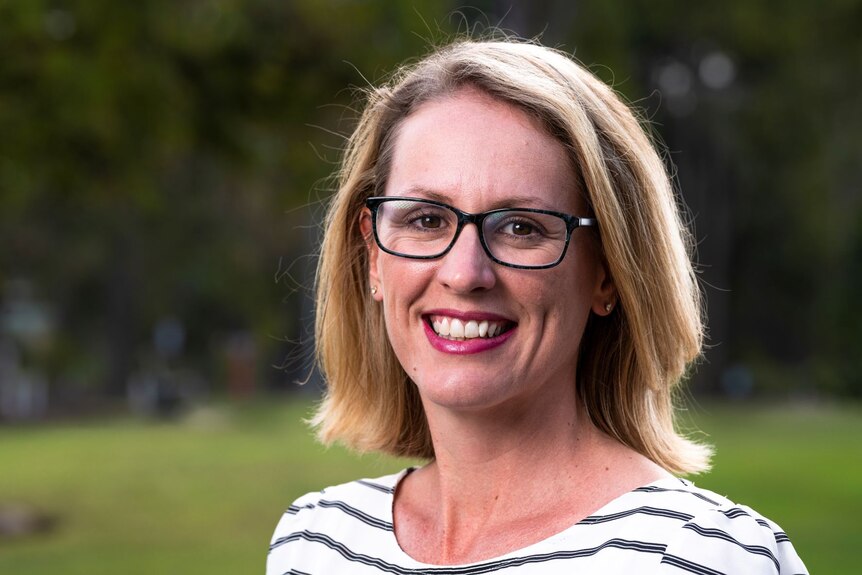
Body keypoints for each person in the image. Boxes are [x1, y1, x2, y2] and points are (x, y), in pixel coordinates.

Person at [267, 38, 808, 574]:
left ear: (607, 273)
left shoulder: (707, 556)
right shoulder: (315, 540)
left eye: (521, 228)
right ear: (373, 257)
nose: (464, 273)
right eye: (427, 220)